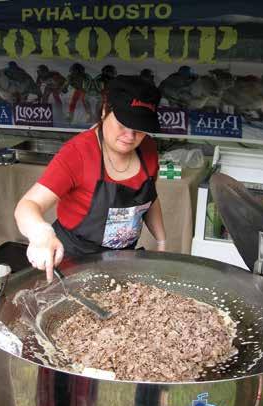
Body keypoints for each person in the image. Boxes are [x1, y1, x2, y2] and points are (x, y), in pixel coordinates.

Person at [14, 75, 166, 282]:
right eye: (123, 124)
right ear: (105, 111)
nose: (130, 136)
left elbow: (149, 198)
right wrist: (41, 234)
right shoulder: (78, 153)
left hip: (124, 261)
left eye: (139, 127)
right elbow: (28, 205)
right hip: (73, 261)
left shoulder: (147, 148)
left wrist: (162, 241)